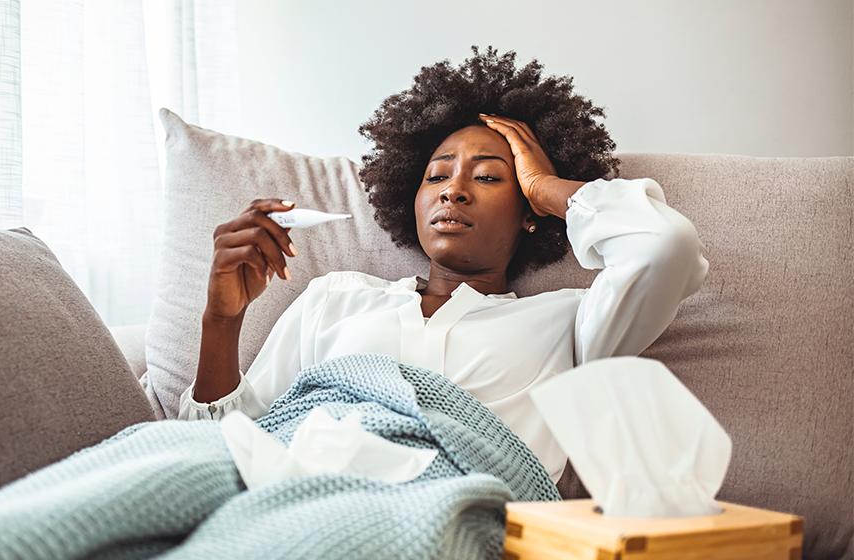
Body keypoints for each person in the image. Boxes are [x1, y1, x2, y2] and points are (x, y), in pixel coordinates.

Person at [177, 46, 709, 484]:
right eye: (436, 176)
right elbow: (229, 446)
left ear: (529, 214)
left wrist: (548, 190)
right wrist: (220, 322)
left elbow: (665, 247)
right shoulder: (334, 298)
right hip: (298, 496)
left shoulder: (569, 324)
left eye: (488, 177)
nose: (453, 190)